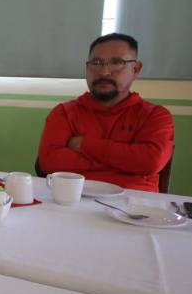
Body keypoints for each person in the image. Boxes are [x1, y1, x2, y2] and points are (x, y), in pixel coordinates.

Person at [37, 33, 174, 192]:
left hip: (134, 202)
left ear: (135, 69)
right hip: (72, 198)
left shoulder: (155, 115)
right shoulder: (64, 112)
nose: (104, 72)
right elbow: (49, 162)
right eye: (96, 63)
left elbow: (150, 161)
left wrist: (84, 144)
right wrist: (126, 162)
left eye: (116, 62)